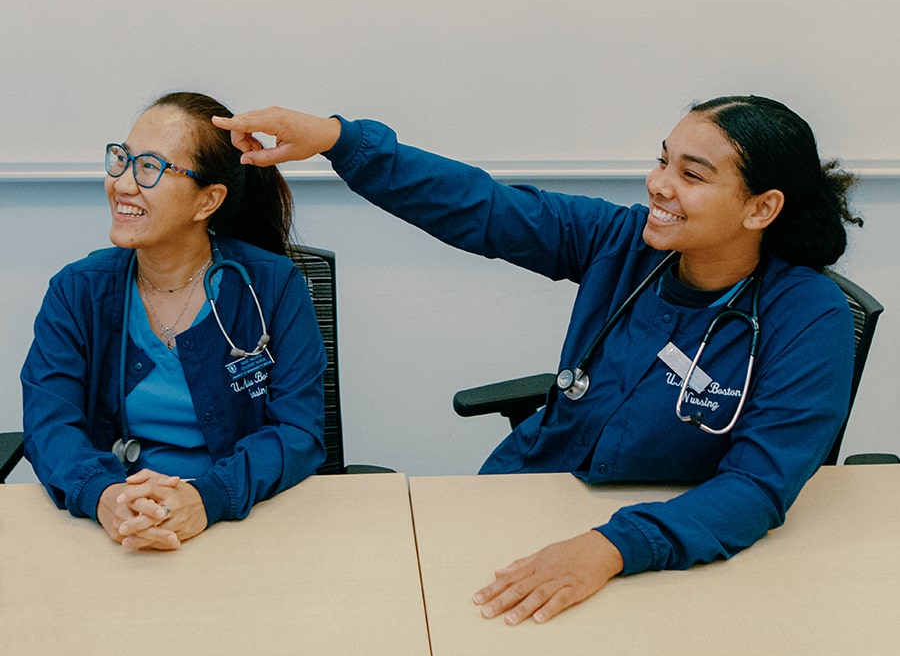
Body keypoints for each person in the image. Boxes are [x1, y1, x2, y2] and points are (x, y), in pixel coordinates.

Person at [212, 96, 862, 621]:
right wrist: (337, 139)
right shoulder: (623, 242)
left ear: (762, 207)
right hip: (528, 493)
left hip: (665, 542)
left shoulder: (808, 317)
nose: (658, 185)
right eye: (662, 161)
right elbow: (483, 209)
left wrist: (611, 546)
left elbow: (756, 485)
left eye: (691, 175)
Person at [21, 92, 327, 551]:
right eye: (122, 160)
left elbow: (298, 433)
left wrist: (206, 499)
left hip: (243, 524)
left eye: (149, 168)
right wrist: (105, 496)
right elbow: (50, 424)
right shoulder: (77, 291)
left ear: (208, 200)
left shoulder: (272, 287)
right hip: (118, 529)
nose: (123, 184)